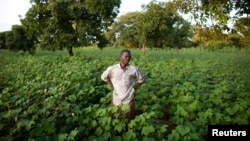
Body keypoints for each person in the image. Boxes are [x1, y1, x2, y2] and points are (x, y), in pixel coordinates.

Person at [101, 49, 145, 120]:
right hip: (116, 98)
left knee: (129, 119)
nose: (128, 58)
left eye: (129, 57)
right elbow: (103, 77)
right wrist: (111, 86)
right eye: (126, 56)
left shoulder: (133, 69)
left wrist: (134, 88)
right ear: (120, 57)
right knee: (115, 117)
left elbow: (142, 79)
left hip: (128, 98)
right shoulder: (112, 69)